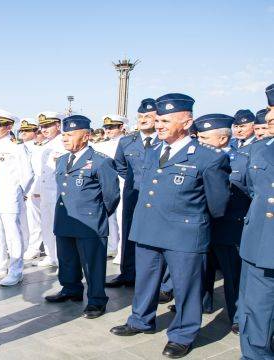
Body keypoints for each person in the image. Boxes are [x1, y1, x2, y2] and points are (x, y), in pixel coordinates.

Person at [110, 93, 231, 359]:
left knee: (187, 287)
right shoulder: (153, 151)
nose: (159, 125)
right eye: (157, 120)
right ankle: (140, 320)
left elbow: (218, 204)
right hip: (149, 229)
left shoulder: (208, 157)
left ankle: (182, 334)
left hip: (184, 233)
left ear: (186, 123)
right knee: (145, 281)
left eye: (165, 120)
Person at [44, 115, 120, 319]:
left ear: (86, 136)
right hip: (65, 220)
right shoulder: (61, 160)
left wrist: (98, 215)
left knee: (92, 264)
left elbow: (111, 195)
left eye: (70, 135)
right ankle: (71, 289)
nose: (64, 138)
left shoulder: (101, 161)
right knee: (67, 259)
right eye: (64, 135)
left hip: (90, 223)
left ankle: (96, 300)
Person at [194, 113, 250, 334]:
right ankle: (203, 303)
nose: (200, 142)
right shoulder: (195, 157)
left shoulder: (243, 160)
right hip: (199, 224)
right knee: (201, 272)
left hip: (228, 227)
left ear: (223, 139)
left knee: (232, 276)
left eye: (205, 138)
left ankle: (236, 315)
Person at [238, 84, 274, 359]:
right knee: (257, 311)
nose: (269, 118)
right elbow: (250, 187)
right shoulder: (261, 150)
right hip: (261, 242)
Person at [106, 99, 158, 288]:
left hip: (159, 197)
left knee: (157, 237)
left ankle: (161, 283)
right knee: (129, 233)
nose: (143, 120)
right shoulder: (127, 141)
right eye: (141, 116)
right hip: (133, 194)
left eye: (148, 116)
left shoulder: (165, 141)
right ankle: (128, 273)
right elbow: (120, 166)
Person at [0, 109, 34, 286]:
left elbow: (27, 174)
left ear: (9, 126)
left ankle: (16, 270)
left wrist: (19, 192)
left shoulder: (17, 147)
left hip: (10, 195)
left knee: (13, 232)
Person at [93, 114, 127, 261]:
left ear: (121, 127)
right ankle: (113, 246)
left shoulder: (127, 143)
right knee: (110, 218)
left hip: (123, 184)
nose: (108, 130)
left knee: (121, 218)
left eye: (112, 127)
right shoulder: (100, 145)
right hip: (106, 185)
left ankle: (122, 251)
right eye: (106, 127)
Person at [35, 111, 68, 268]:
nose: (44, 129)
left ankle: (63, 257)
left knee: (60, 226)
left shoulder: (64, 143)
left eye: (48, 125)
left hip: (58, 192)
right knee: (46, 224)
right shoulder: (45, 145)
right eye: (42, 126)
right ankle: (51, 255)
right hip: (45, 192)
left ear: (58, 125)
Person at [19, 118, 44, 261]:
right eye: (22, 130)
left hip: (34, 187)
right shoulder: (18, 146)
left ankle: (35, 248)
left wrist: (33, 190)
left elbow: (37, 172)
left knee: (34, 220)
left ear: (36, 132)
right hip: (22, 188)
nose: (23, 133)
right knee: (24, 220)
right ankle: (27, 245)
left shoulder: (39, 148)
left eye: (27, 130)